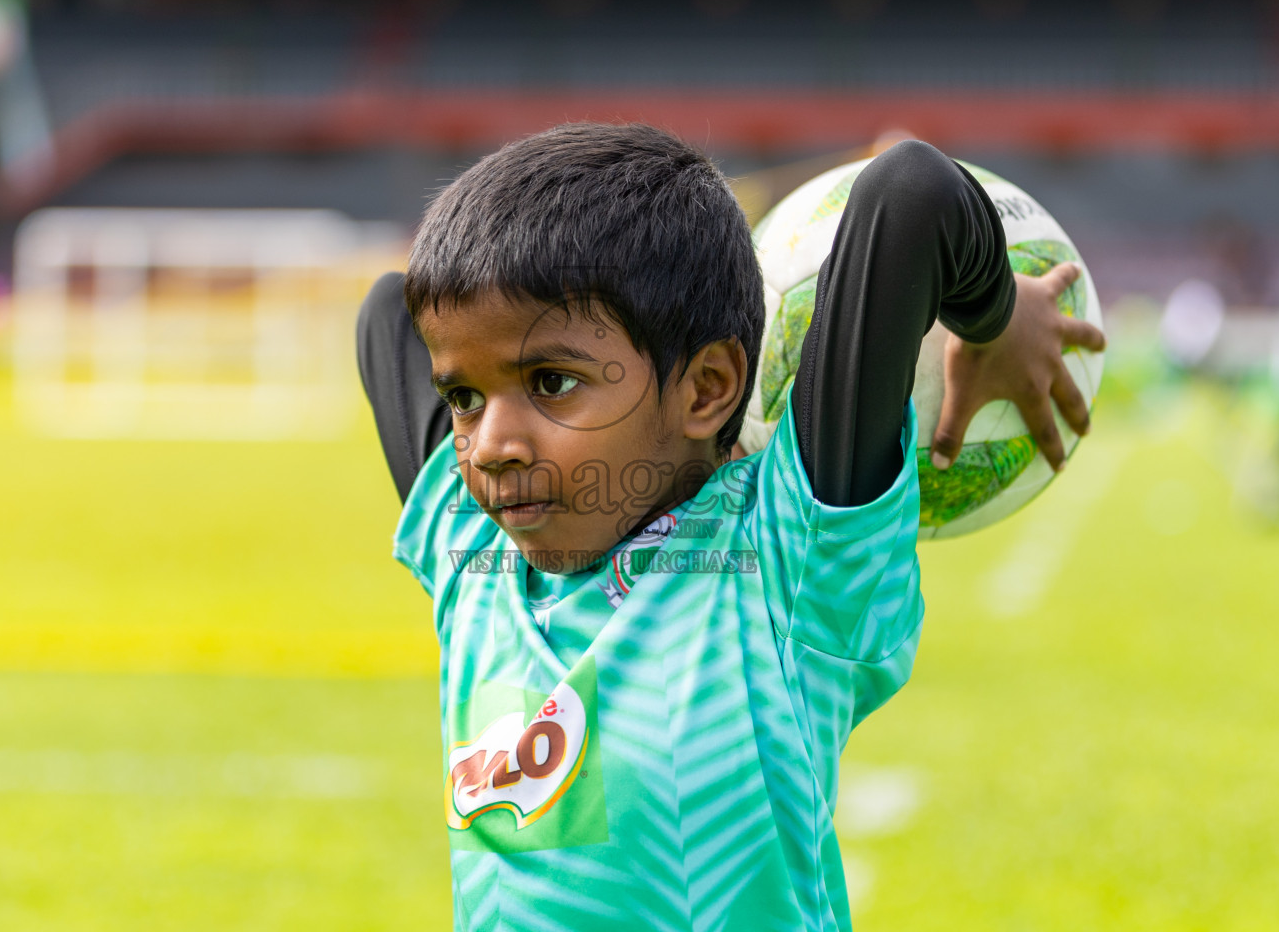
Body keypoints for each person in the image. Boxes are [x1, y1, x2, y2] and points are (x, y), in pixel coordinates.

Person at [357, 124, 1103, 931]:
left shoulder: (781, 563)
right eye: (465, 397)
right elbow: (384, 314)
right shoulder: (478, 557)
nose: (492, 446)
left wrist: (988, 319)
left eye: (552, 381)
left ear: (709, 387)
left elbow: (911, 192)